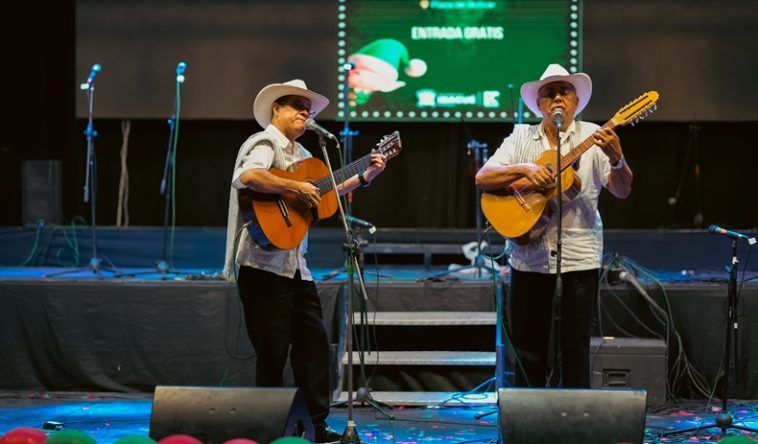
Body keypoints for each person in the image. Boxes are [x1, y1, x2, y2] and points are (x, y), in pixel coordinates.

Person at [223, 79, 386, 442]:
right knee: (272, 351)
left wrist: (364, 175)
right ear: (275, 110)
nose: (304, 113)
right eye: (296, 105)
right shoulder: (263, 143)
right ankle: (270, 426)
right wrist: (294, 187)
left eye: (308, 109)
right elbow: (247, 176)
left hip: (297, 267)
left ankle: (315, 424)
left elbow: (326, 189)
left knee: (312, 345)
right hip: (263, 267)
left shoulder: (305, 157)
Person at [475, 64, 633, 388]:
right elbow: (483, 178)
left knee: (576, 347)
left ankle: (573, 423)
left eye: (565, 92)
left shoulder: (593, 136)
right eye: (549, 93)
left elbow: (622, 190)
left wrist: (618, 160)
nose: (557, 98)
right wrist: (524, 169)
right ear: (540, 104)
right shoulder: (520, 136)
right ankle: (528, 424)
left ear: (576, 101)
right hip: (528, 255)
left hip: (580, 253)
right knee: (528, 347)